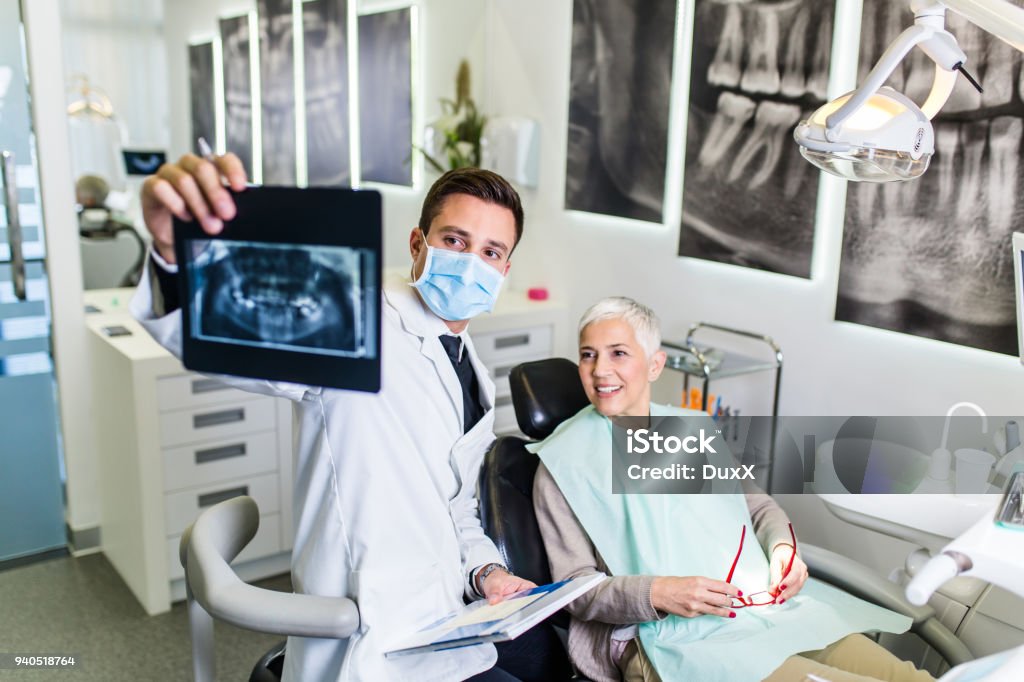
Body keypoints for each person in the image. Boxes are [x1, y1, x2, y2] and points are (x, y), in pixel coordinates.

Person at [133, 152, 539, 681]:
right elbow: (246, 335)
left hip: (443, 626)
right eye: (455, 241)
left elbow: (456, 507)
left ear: (505, 270)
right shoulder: (357, 318)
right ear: (418, 244)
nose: (471, 264)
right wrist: (174, 252)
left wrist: (485, 570)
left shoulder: (470, 369)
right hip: (364, 636)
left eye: (491, 252)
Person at [531, 297, 935, 682]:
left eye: (618, 353)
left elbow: (757, 507)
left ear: (655, 365)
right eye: (588, 354)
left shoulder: (686, 433)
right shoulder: (564, 464)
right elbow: (575, 590)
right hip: (665, 642)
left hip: (759, 615)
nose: (600, 369)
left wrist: (782, 548)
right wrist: (659, 593)